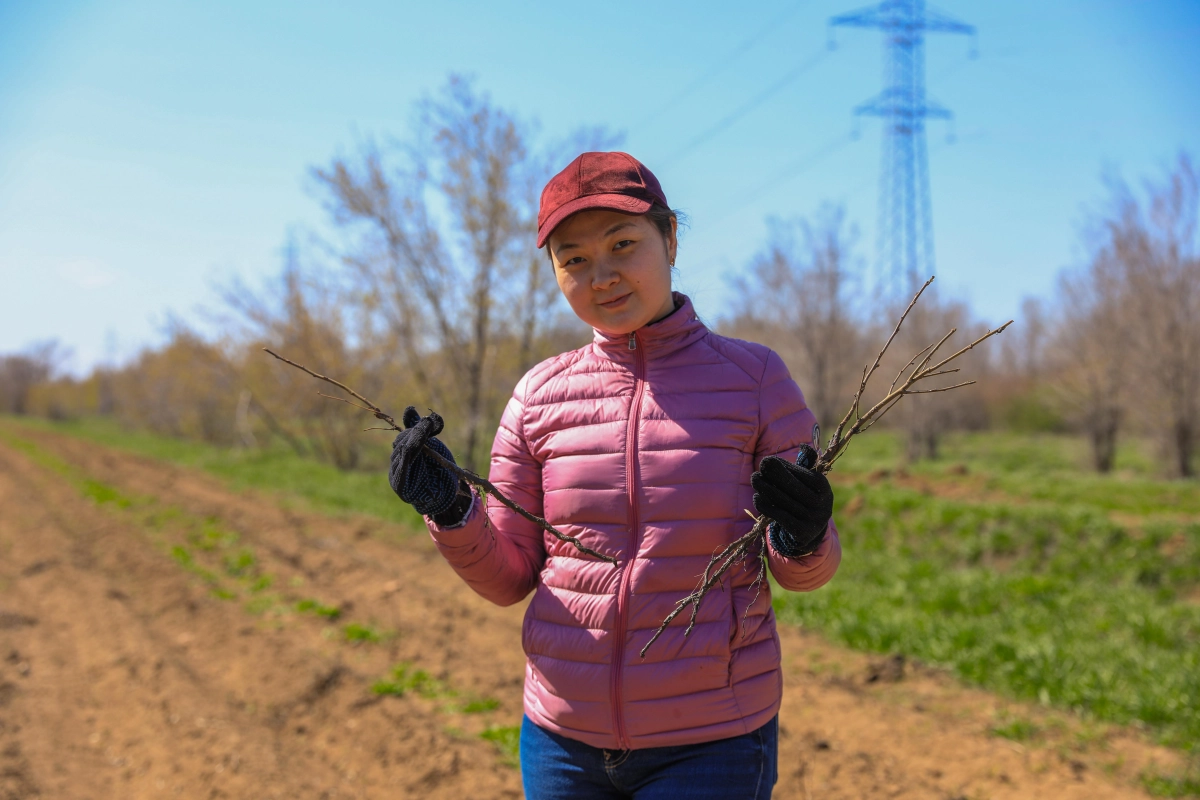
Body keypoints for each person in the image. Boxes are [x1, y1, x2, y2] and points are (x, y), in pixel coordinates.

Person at [388, 151, 840, 799]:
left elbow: (804, 572)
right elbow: (510, 575)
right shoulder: (538, 397)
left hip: (712, 738)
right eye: (573, 260)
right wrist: (452, 512)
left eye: (623, 245)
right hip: (561, 739)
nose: (602, 276)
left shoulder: (755, 381)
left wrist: (804, 534)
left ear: (671, 238)